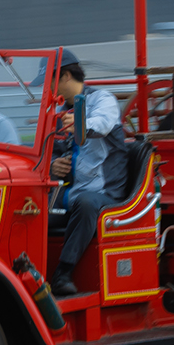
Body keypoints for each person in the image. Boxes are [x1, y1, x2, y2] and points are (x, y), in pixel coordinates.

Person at [48, 49, 127, 296]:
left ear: (66, 76)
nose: (47, 90)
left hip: (105, 192)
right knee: (32, 211)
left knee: (85, 202)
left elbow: (102, 124)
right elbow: (46, 150)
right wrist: (53, 165)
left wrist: (79, 124)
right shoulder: (56, 110)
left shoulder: (103, 100)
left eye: (49, 82)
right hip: (71, 192)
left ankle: (63, 273)